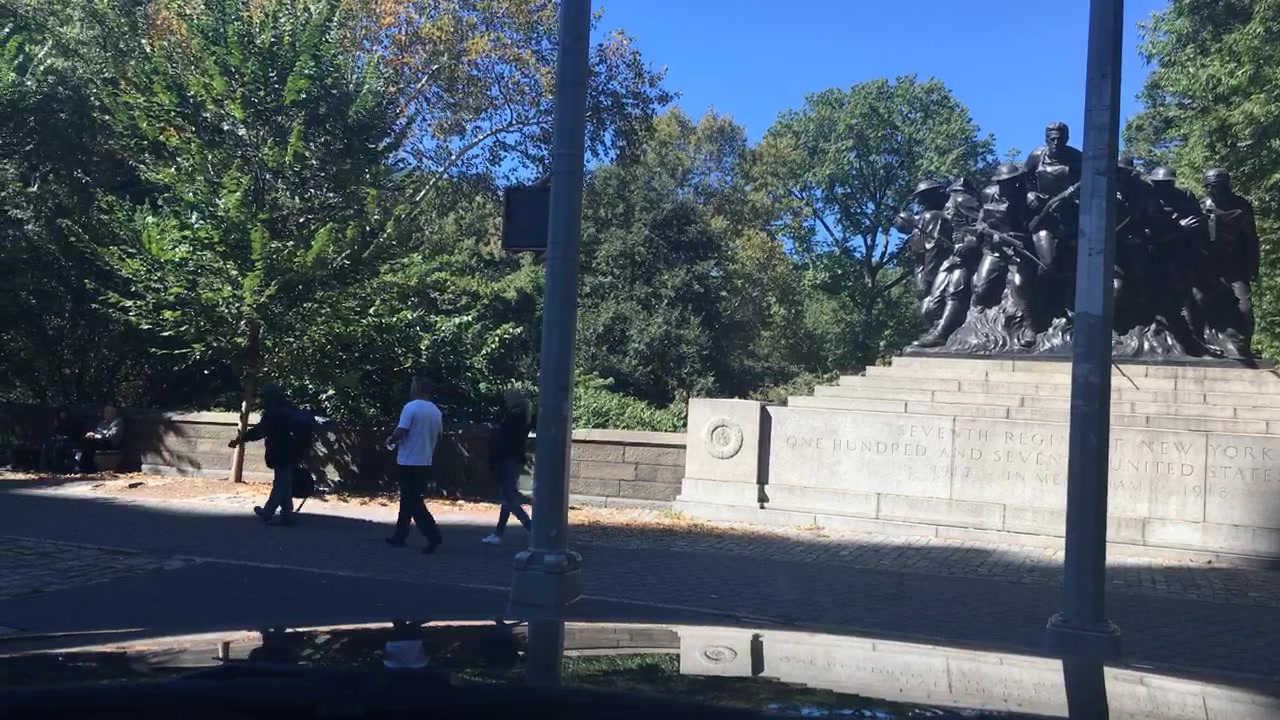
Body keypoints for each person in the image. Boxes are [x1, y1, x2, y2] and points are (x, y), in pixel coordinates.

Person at [228, 385, 304, 526]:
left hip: (280, 451)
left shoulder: (274, 414)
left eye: (265, 397)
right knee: (285, 483)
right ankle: (287, 515)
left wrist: (240, 439)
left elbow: (259, 431)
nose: (263, 401)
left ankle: (268, 512)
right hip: (293, 451)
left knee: (281, 484)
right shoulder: (291, 411)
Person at [384, 376, 444, 554]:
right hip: (425, 460)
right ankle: (400, 534)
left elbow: (401, 430)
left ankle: (433, 534)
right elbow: (439, 434)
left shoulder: (411, 407)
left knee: (412, 501)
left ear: (415, 389)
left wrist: (391, 440)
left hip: (409, 459)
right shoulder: (435, 411)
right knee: (408, 498)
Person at [482, 390, 534, 545]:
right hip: (511, 459)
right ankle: (499, 533)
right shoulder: (522, 417)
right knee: (507, 499)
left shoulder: (513, 419)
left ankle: (533, 529)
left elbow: (502, 439)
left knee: (509, 499)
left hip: (507, 459)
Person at [79, 403, 122, 473]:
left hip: (110, 443)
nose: (106, 414)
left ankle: (86, 466)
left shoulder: (117, 422)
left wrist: (97, 436)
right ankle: (83, 465)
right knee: (86, 441)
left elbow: (111, 436)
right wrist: (92, 435)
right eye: (105, 412)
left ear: (113, 412)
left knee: (90, 444)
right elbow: (97, 432)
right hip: (98, 441)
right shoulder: (101, 423)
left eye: (108, 412)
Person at [41, 405, 83, 473]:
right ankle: (45, 466)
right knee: (46, 446)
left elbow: (77, 433)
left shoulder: (73, 421)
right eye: (61, 413)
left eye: (64, 413)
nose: (62, 415)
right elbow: (56, 433)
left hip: (72, 440)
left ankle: (58, 467)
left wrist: (67, 437)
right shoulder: (59, 422)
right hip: (59, 440)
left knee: (59, 447)